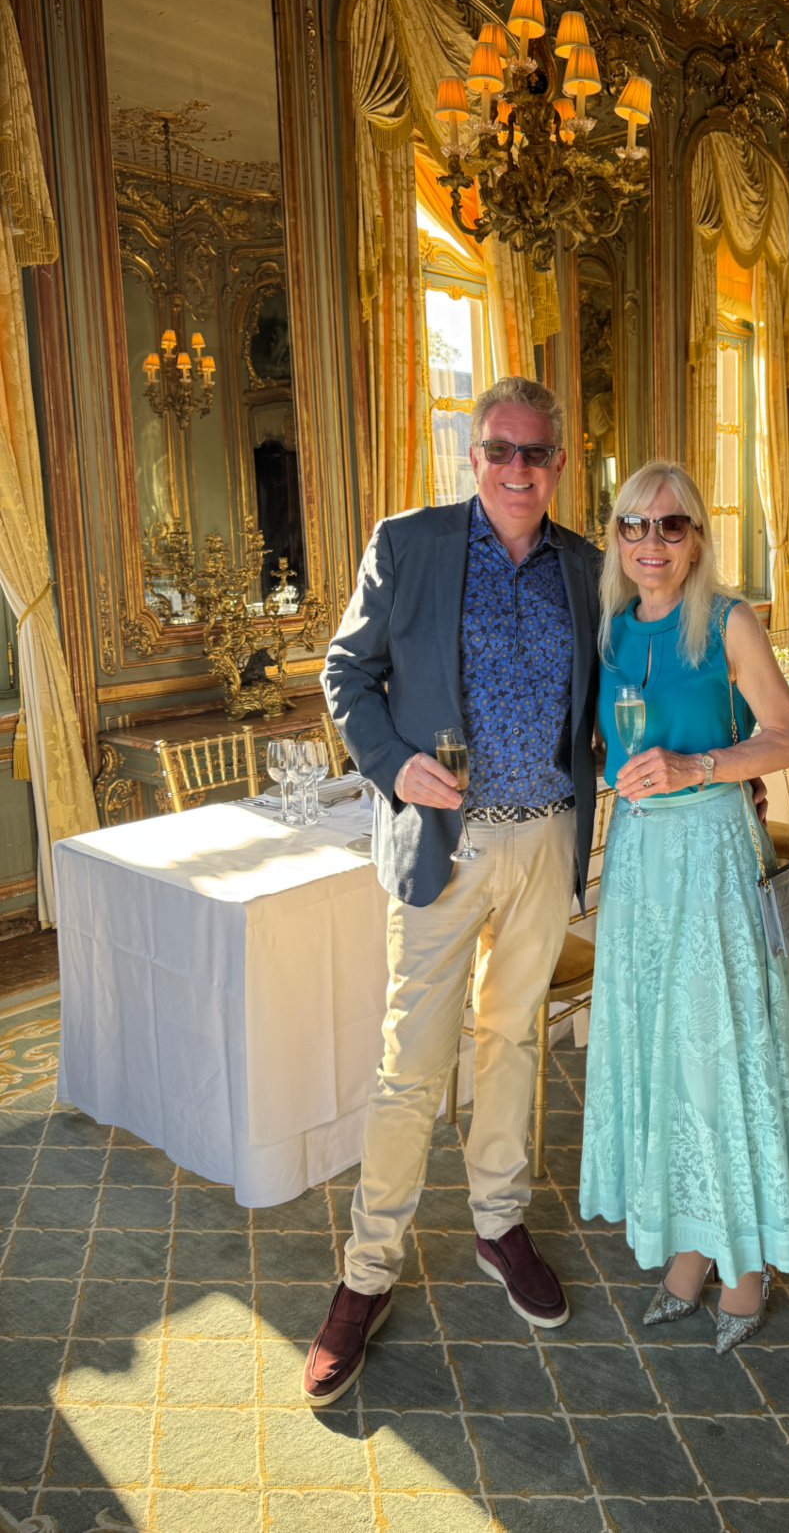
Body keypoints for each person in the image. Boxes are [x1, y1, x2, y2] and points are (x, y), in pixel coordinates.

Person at [305, 376, 601, 1406]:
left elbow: (612, 701)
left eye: (536, 453)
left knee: (511, 1039)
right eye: (498, 451)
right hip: (445, 844)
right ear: (471, 458)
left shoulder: (586, 567)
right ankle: (365, 1271)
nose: (518, 470)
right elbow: (347, 672)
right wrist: (391, 764)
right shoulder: (411, 543)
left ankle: (498, 1222)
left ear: (561, 463)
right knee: (410, 1062)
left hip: (544, 841)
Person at [579, 460, 789, 1350]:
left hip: (714, 851)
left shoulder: (729, 621)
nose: (651, 543)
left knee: (720, 1049)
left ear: (697, 538)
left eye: (671, 526)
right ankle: (689, 1246)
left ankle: (747, 1261)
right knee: (657, 1048)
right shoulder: (610, 632)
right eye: (633, 527)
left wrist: (703, 767)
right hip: (641, 857)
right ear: (615, 538)